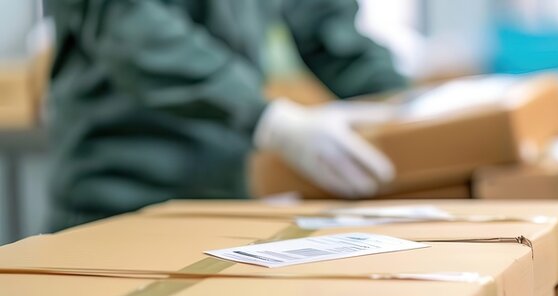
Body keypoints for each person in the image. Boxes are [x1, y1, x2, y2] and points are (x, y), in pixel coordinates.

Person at [45, 0, 406, 231]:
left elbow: (322, 23)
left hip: (225, 198)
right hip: (118, 200)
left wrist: (407, 105)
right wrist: (269, 120)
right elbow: (130, 27)